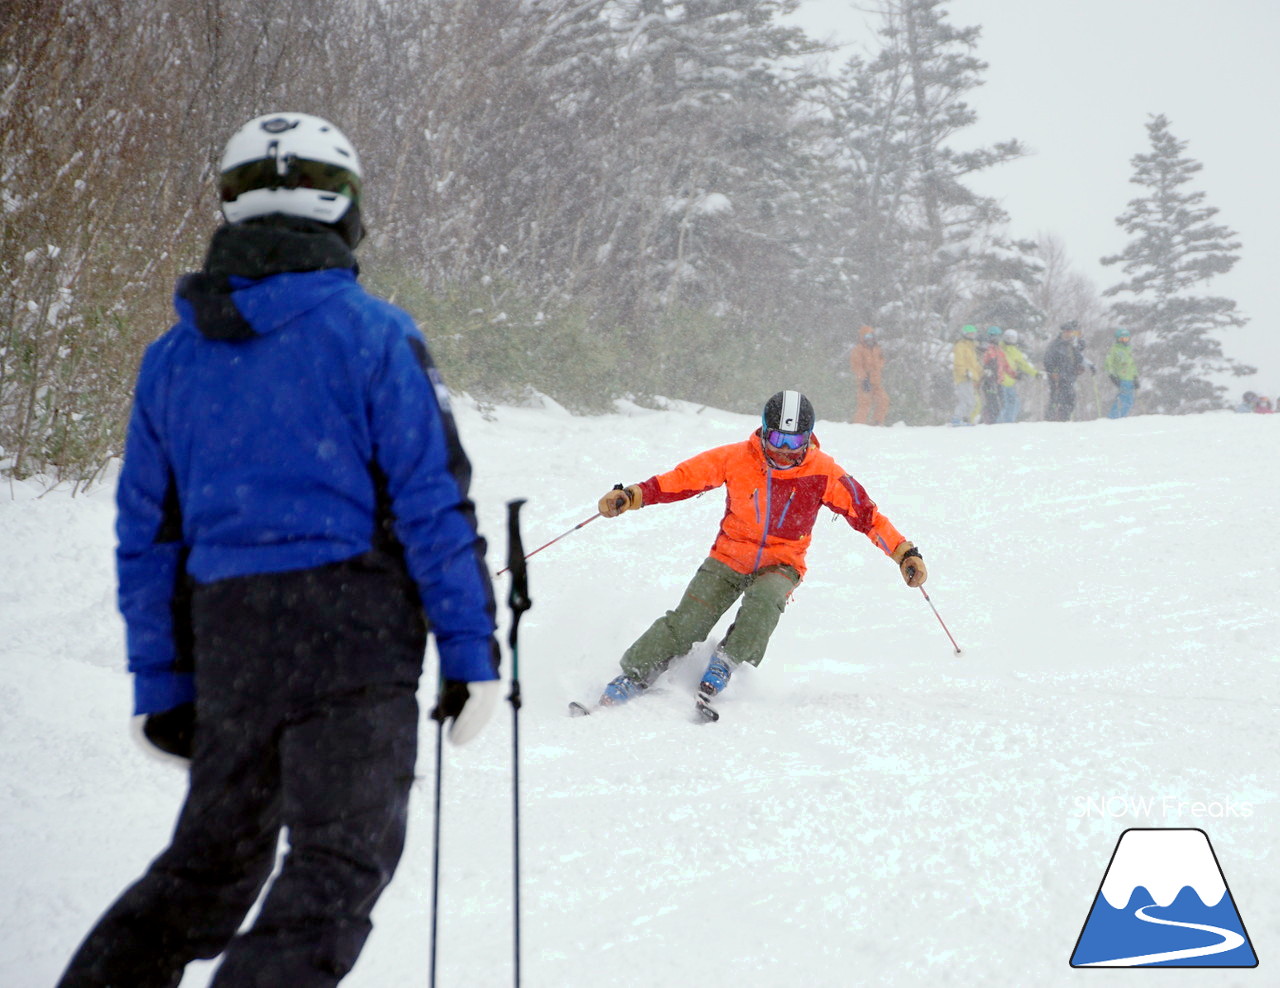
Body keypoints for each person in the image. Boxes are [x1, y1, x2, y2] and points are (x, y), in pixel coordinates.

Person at [57, 113, 502, 988]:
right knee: (337, 869)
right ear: (345, 213)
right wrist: (469, 653)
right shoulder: (376, 337)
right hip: (354, 636)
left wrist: (163, 680)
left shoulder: (172, 358)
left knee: (209, 870)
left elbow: (148, 537)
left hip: (233, 638)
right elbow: (432, 506)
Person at [589, 390, 927, 712]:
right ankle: (633, 675)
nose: (784, 450)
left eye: (794, 442)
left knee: (765, 601)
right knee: (688, 622)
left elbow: (866, 515)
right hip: (728, 557)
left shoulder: (823, 472)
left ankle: (726, 662)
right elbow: (682, 479)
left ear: (808, 437)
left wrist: (903, 552)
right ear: (763, 431)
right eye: (777, 438)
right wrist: (632, 496)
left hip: (781, 563)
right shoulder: (736, 458)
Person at [1043, 321, 1087, 421]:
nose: (1068, 334)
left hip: (1069, 377)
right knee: (1056, 398)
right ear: (1062, 332)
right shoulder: (1055, 345)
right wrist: (1053, 372)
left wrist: (1079, 367)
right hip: (1057, 377)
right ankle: (1050, 419)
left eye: (1070, 332)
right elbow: (1048, 360)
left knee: (1070, 398)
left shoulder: (1073, 345)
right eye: (1066, 331)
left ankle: (1064, 418)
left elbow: (1078, 358)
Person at [850, 324, 889, 426]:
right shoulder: (858, 350)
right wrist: (863, 379)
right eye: (866, 336)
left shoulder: (877, 349)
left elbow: (881, 361)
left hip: (876, 382)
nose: (869, 339)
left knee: (883, 401)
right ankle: (859, 425)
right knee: (864, 405)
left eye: (871, 336)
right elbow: (856, 366)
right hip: (865, 382)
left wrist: (877, 371)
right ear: (862, 337)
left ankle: (877, 423)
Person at [997, 329, 1038, 423]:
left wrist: (1035, 373)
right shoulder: (999, 348)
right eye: (1008, 338)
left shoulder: (1014, 351)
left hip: (1010, 381)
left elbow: (1023, 364)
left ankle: (1008, 421)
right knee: (1006, 404)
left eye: (1012, 338)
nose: (1010, 340)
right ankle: (1000, 423)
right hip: (1001, 380)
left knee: (1015, 403)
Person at [1105, 327, 1139, 418]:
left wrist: (1135, 377)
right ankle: (1115, 416)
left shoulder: (1128, 350)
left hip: (1130, 378)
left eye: (1126, 339)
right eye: (1122, 339)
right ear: (1118, 339)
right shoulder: (1115, 350)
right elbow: (1108, 364)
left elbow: (1132, 365)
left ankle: (1121, 416)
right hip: (1122, 377)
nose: (1124, 341)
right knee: (1124, 399)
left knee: (1129, 400)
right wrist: (1112, 375)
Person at [951, 324, 982, 425]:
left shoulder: (971, 347)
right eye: (970, 334)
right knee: (966, 400)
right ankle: (957, 418)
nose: (972, 336)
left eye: (973, 334)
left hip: (970, 377)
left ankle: (965, 419)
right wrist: (965, 372)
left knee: (972, 402)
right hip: (963, 378)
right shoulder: (961, 346)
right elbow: (958, 362)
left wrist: (982, 372)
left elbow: (974, 364)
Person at [979, 326, 1009, 424]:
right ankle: (987, 421)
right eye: (994, 336)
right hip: (989, 379)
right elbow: (983, 362)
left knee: (1001, 403)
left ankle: (992, 421)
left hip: (998, 379)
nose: (996, 339)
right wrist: (987, 369)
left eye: (997, 336)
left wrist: (1015, 374)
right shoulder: (987, 349)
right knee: (992, 403)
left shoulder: (999, 350)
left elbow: (1004, 364)